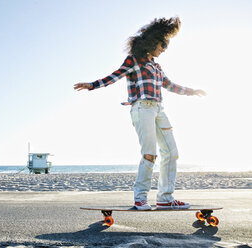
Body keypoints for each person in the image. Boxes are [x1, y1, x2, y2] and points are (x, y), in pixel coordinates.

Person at [74, 17, 206, 210]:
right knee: (149, 154)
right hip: (142, 108)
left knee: (171, 152)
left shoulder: (157, 67)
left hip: (159, 109)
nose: (163, 50)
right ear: (153, 42)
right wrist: (93, 85)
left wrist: (192, 91)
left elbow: (170, 86)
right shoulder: (134, 60)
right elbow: (115, 75)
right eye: (162, 45)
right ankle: (140, 197)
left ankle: (165, 198)